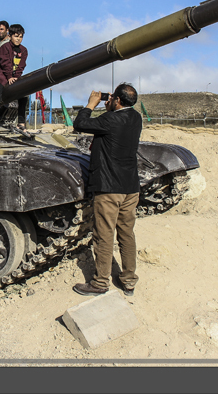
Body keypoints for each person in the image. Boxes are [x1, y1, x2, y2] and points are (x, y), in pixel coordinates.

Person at [72, 83, 143, 297]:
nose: (109, 100)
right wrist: (110, 106)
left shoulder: (110, 119)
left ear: (118, 101)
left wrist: (91, 104)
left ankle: (100, 282)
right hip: (130, 187)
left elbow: (80, 123)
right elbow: (109, 125)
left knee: (104, 235)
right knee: (126, 234)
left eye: (112, 98)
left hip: (110, 188)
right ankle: (129, 280)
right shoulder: (135, 118)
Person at [0, 23, 29, 136]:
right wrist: (9, 77)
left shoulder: (23, 50)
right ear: (10, 35)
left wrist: (16, 77)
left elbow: (22, 65)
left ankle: (21, 122)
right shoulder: (4, 47)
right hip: (0, 75)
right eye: (16, 36)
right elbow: (5, 63)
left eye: (20, 37)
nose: (18, 39)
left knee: (24, 96)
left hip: (14, 76)